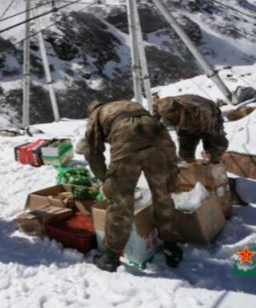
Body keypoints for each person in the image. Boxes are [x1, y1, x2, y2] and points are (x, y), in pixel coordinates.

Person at [78, 99, 183, 272]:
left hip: (127, 137)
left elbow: (92, 150)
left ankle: (111, 258)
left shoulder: (96, 116)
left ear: (91, 111)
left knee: (121, 201)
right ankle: (172, 247)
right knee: (163, 194)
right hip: (159, 137)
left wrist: (104, 177)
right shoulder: (126, 104)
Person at [153, 94, 228, 163]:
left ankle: (215, 165)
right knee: (185, 145)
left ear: (183, 111)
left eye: (177, 120)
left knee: (216, 144)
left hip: (208, 114)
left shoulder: (202, 113)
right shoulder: (162, 106)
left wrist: (210, 155)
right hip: (189, 117)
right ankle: (187, 164)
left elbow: (211, 133)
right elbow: (154, 114)